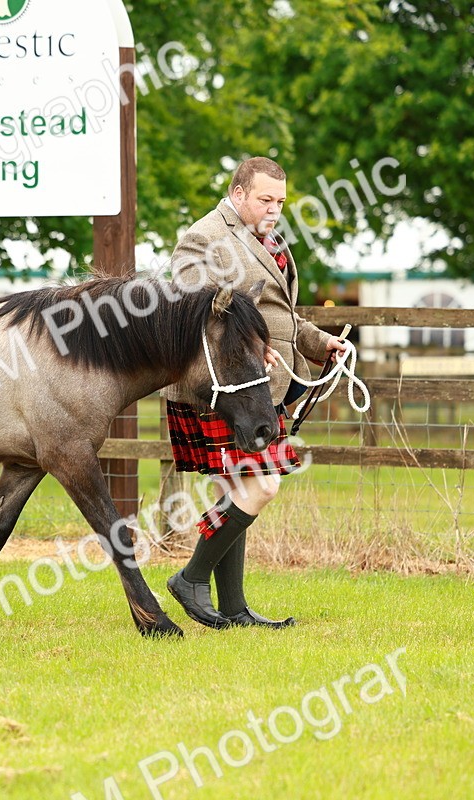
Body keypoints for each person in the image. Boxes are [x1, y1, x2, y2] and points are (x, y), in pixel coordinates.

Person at [163, 157, 349, 630]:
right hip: (223, 388)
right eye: (266, 199)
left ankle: (233, 607)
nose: (274, 209)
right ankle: (191, 577)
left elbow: (285, 316)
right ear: (239, 192)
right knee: (260, 486)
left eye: (281, 201)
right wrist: (250, 345)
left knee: (239, 488)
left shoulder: (275, 243)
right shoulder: (203, 238)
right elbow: (192, 317)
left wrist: (320, 342)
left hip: (263, 385)